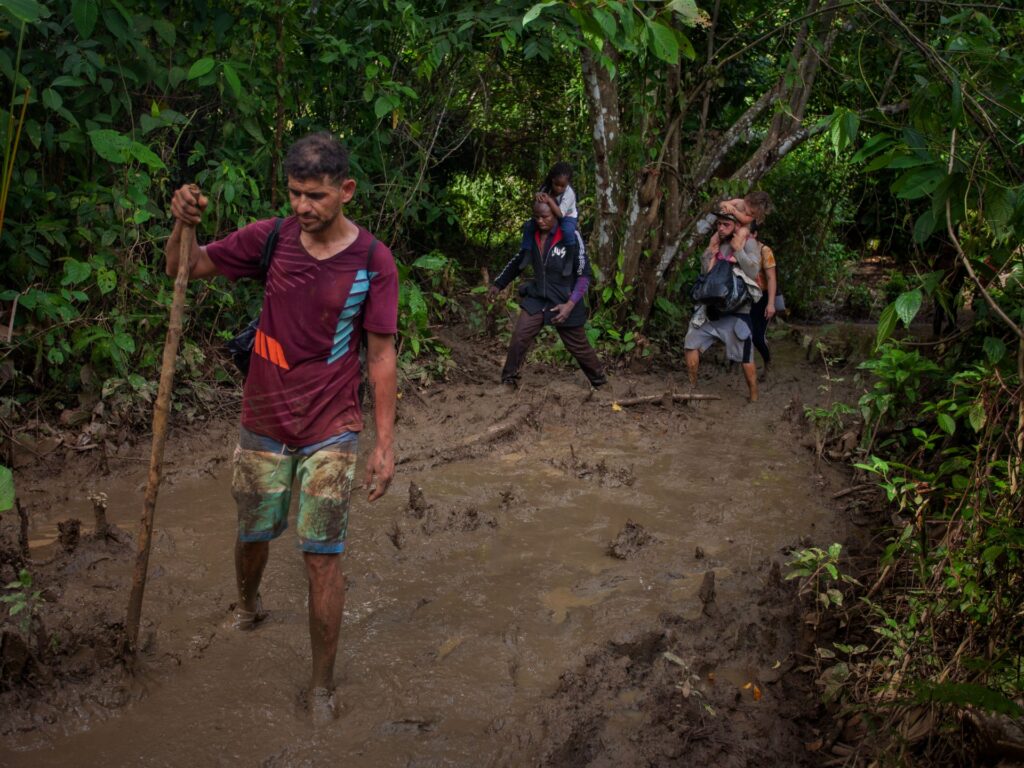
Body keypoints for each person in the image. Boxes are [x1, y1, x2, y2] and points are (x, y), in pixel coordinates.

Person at [165, 132, 398, 721]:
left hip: (332, 426)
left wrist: (384, 445)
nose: (302, 207)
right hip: (264, 420)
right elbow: (183, 268)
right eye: (294, 194)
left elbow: (380, 355)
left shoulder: (373, 262)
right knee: (254, 533)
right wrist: (181, 223)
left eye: (315, 196)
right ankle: (248, 606)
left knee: (321, 556)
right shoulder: (270, 237)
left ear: (345, 190)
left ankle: (321, 686)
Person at [489, 199, 606, 388]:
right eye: (536, 217)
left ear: (556, 215)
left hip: (564, 300)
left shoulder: (570, 236)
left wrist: (570, 305)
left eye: (545, 217)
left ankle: (600, 382)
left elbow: (584, 276)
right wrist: (499, 284)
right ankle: (508, 381)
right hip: (538, 296)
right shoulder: (532, 235)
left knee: (578, 346)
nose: (540, 221)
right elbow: (519, 260)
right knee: (519, 336)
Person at [684, 211, 763, 401]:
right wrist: (710, 251)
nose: (720, 228)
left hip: (737, 312)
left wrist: (739, 250)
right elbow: (705, 274)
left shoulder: (749, 242)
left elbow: (753, 271)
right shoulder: (717, 242)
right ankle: (692, 389)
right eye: (718, 224)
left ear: (736, 226)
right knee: (691, 343)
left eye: (726, 224)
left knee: (746, 357)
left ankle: (754, 397)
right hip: (711, 309)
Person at [518, 162, 580, 254]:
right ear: (552, 179)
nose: (559, 188)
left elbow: (560, 214)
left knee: (567, 231)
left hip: (567, 216)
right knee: (528, 226)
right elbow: (539, 204)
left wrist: (549, 200)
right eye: (556, 184)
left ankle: (570, 259)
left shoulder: (569, 193)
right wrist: (538, 196)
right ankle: (526, 252)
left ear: (568, 183)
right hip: (550, 216)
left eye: (562, 186)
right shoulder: (546, 187)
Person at [748, 220, 777, 377]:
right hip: (747, 296)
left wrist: (771, 304)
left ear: (755, 234)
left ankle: (768, 362)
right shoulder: (739, 249)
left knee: (757, 336)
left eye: (748, 235)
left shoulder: (764, 251)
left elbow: (772, 278)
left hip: (763, 297)